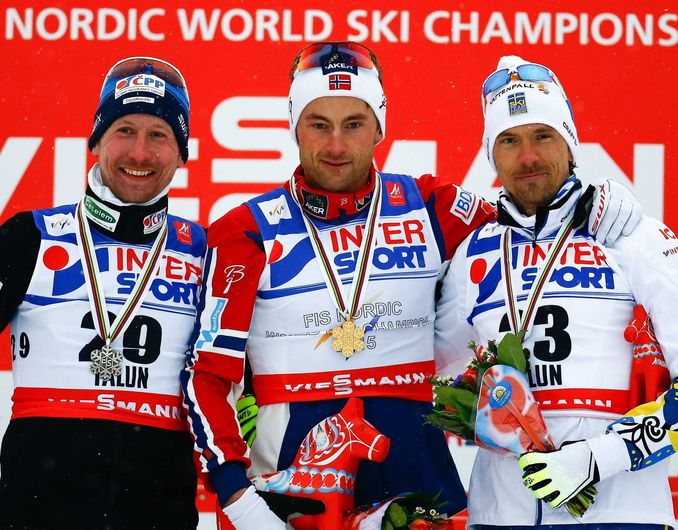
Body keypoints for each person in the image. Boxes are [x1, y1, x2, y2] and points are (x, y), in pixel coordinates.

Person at [181, 43, 641, 529]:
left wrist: (600, 199)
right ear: (295, 126)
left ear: (379, 125)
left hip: (418, 481)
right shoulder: (244, 230)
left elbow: (533, 222)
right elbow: (207, 376)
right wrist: (237, 497)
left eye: (354, 124)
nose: (336, 145)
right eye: (319, 124)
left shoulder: (431, 206)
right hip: (290, 484)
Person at [435, 55, 678, 529]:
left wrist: (598, 458)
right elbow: (427, 373)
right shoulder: (472, 255)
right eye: (509, 140)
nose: (528, 157)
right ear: (492, 154)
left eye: (543, 136)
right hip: (499, 515)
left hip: (622, 514)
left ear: (570, 143)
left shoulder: (634, 237)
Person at [0, 57, 204, 529]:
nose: (140, 152)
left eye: (159, 135)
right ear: (95, 141)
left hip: (157, 510)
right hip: (38, 510)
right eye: (124, 131)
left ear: (181, 153)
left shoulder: (205, 253)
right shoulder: (30, 236)